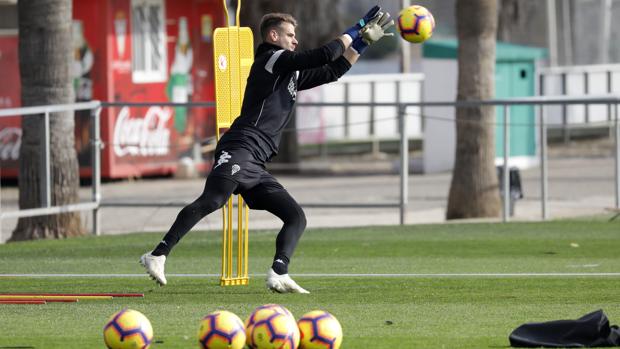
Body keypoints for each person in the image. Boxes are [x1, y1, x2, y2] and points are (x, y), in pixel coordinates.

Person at [140, 6, 394, 293]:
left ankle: (279, 272)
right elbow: (324, 54)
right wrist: (357, 26)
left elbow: (333, 70)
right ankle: (157, 254)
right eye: (290, 35)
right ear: (273, 36)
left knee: (295, 216)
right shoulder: (270, 58)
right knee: (213, 200)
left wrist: (362, 42)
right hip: (240, 146)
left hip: (257, 162)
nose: (295, 40)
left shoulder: (291, 73)